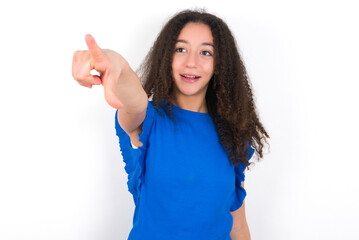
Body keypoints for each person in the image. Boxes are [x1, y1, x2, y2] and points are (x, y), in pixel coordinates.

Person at [72, 9, 269, 240]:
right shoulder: (148, 119)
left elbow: (237, 224)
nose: (192, 62)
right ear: (167, 56)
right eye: (181, 49)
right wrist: (113, 63)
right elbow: (134, 100)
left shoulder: (231, 133)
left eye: (206, 52)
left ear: (219, 64)